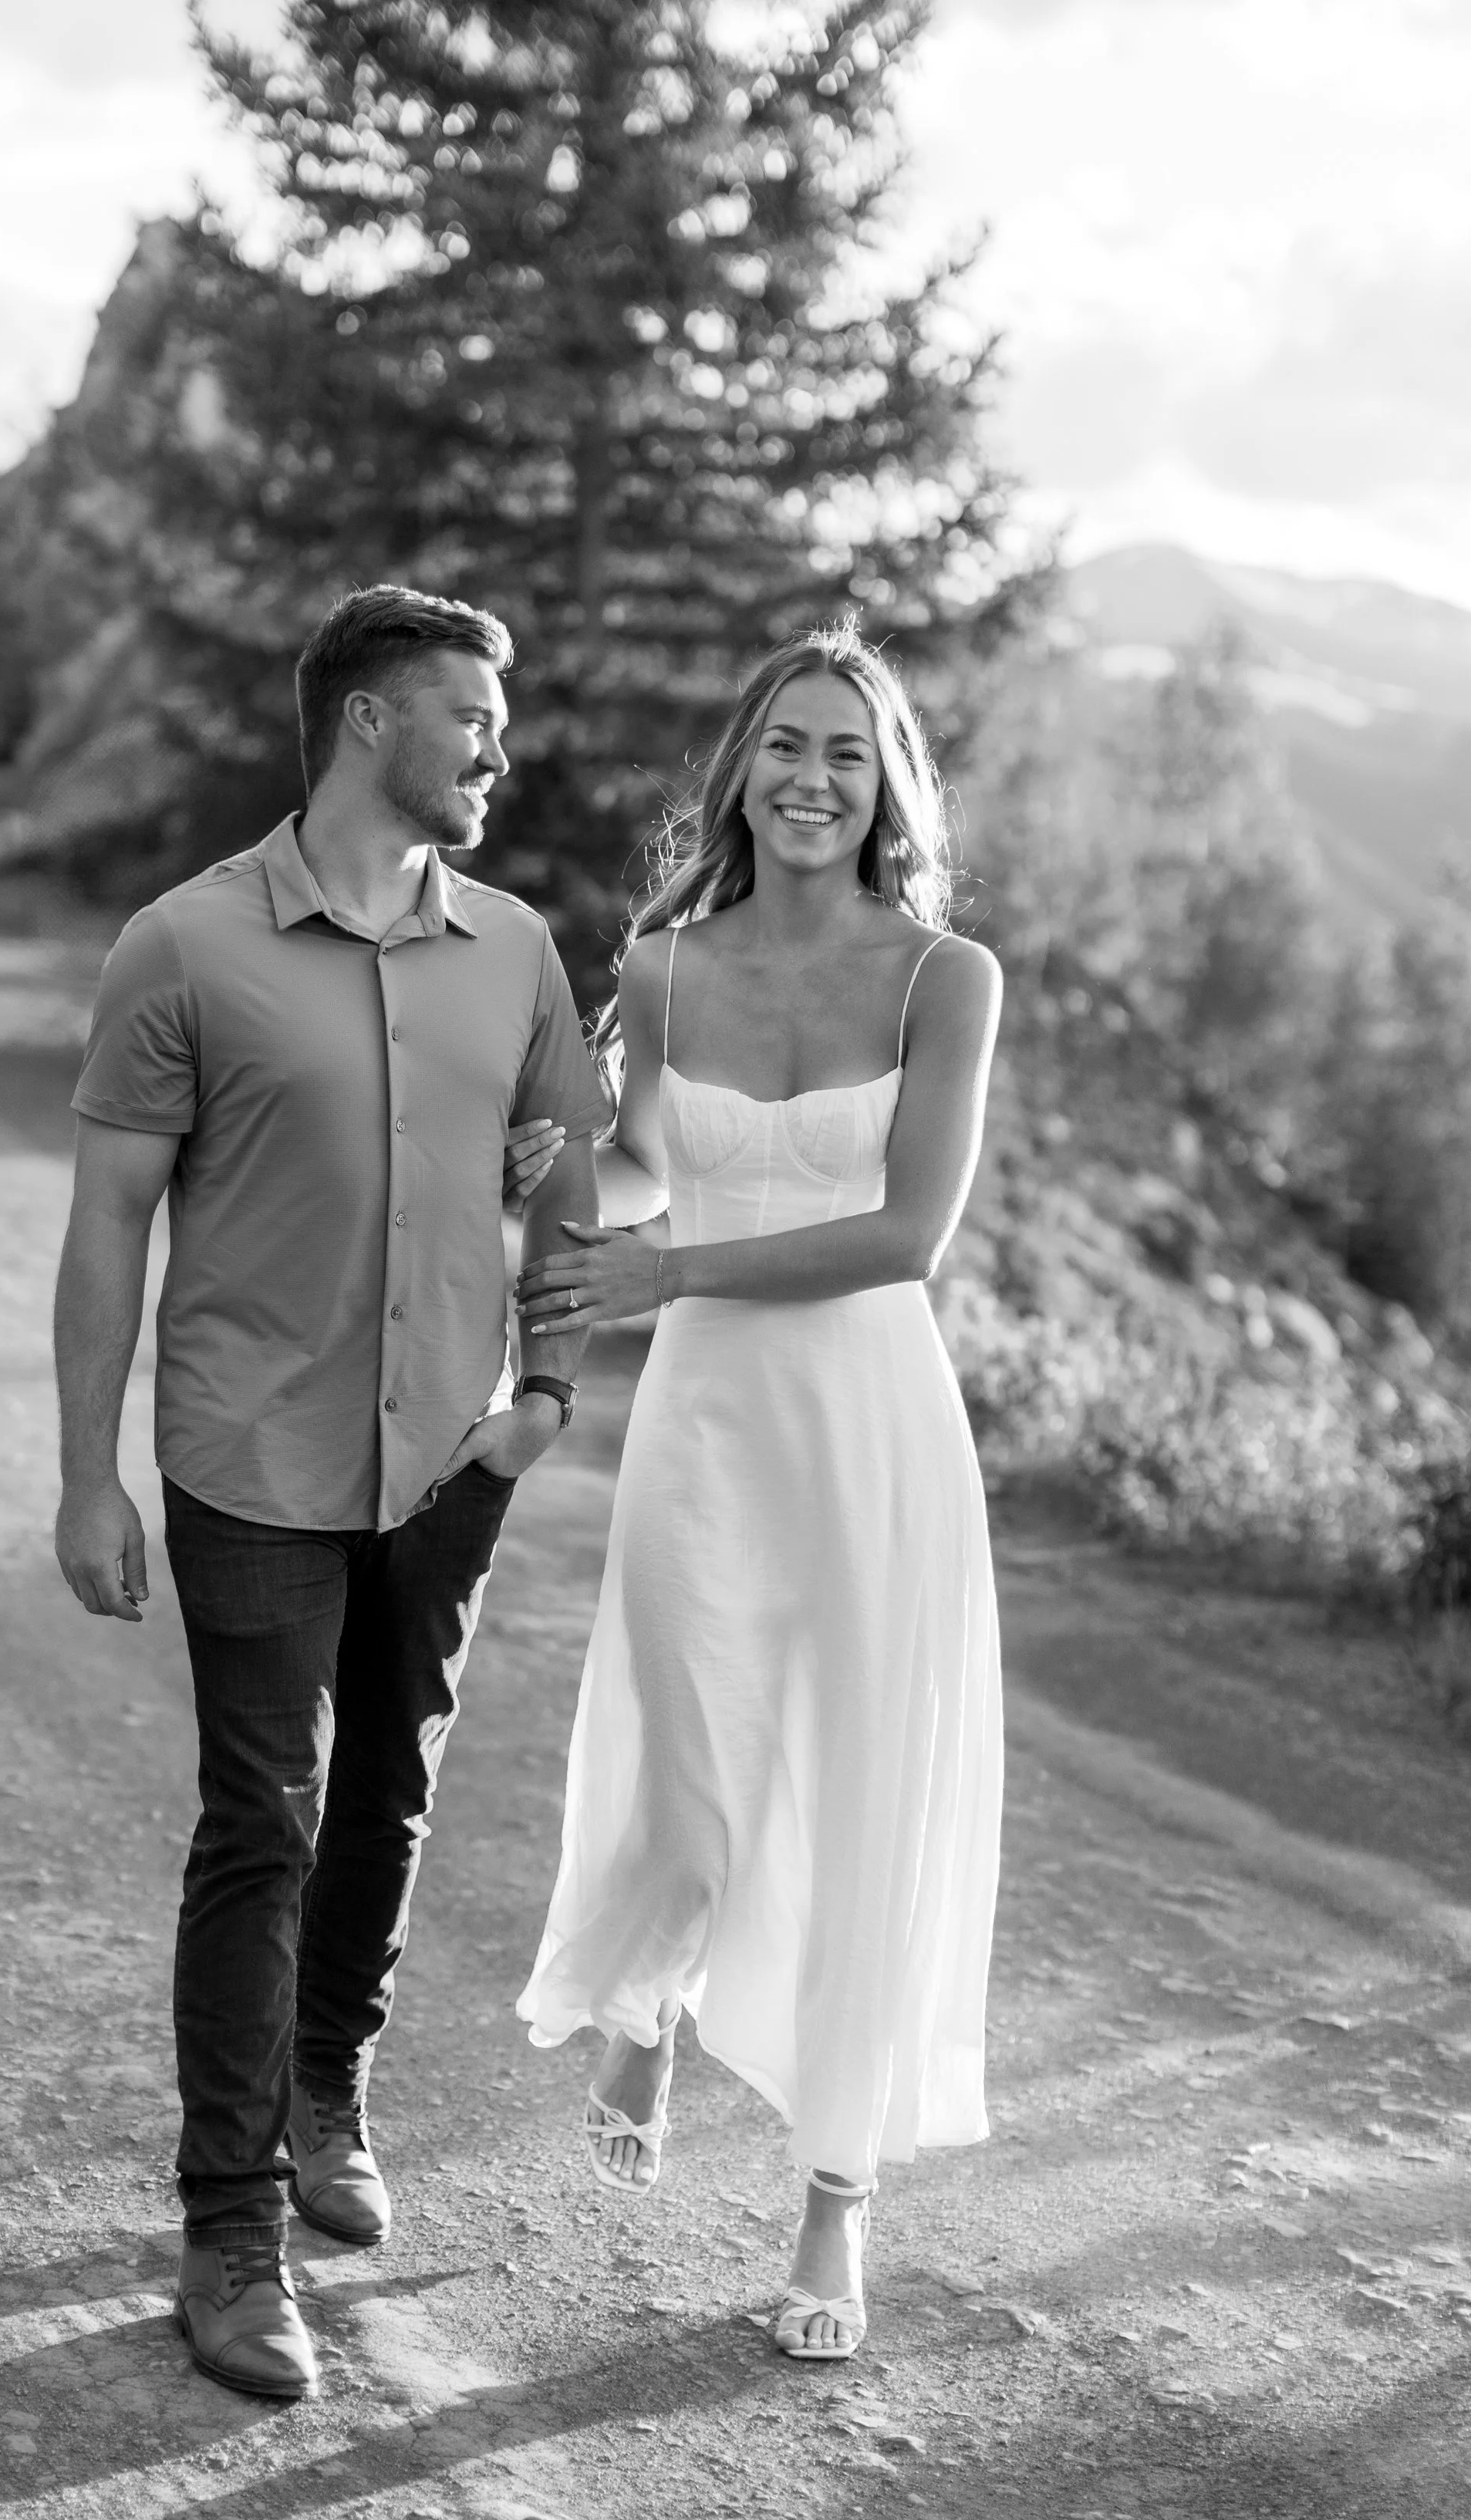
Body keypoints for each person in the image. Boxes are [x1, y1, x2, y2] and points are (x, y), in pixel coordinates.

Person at [52, 585, 607, 2400]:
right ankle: (228, 2229)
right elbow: (108, 1229)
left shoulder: (516, 949)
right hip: (253, 1459)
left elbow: (569, 1183)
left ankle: (323, 2084)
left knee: (389, 1792)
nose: (492, 749)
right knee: (261, 1820)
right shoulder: (184, 948)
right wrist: (87, 1478)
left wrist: (540, 1392)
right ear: (371, 723)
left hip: (448, 1457)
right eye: (466, 715)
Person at [513, 623, 1004, 2363]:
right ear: (740, 771)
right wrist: (571, 1178)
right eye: (784, 747)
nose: (810, 779)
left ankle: (832, 2215)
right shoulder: (657, 965)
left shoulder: (946, 978)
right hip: (704, 1425)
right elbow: (652, 1161)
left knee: (864, 1788)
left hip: (868, 1423)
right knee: (690, 1733)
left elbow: (903, 1238)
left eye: (846, 755)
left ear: (886, 790)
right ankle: (649, 1988)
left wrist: (664, 1285)